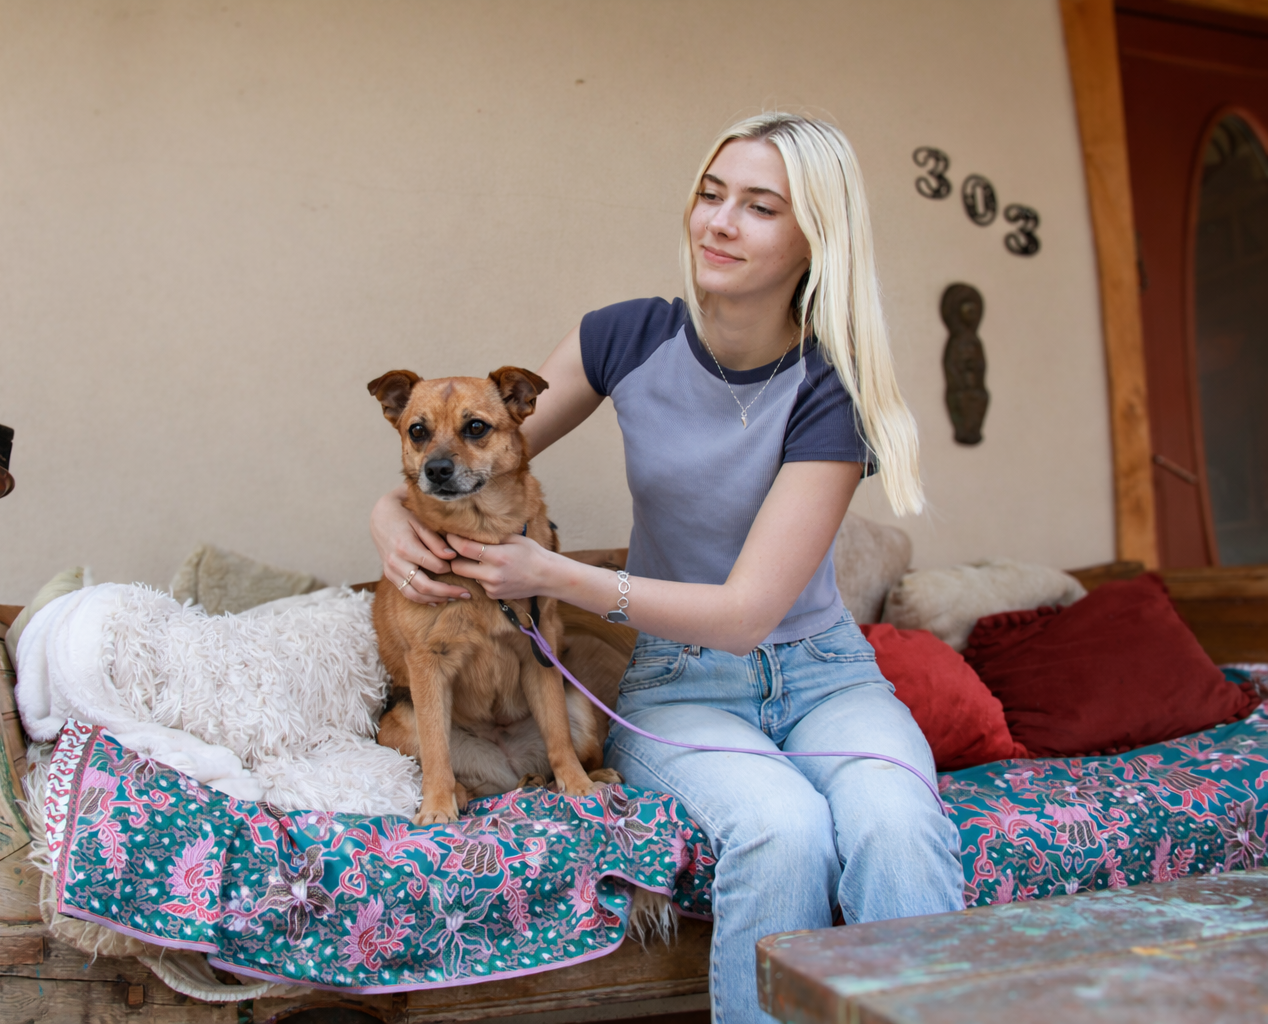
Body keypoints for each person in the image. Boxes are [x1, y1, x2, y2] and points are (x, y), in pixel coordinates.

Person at [369, 112, 964, 1022]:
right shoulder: (627, 336)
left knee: (900, 826)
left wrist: (555, 576)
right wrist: (387, 510)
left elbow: (747, 612)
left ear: (815, 241)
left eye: (760, 207)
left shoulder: (831, 392)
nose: (718, 222)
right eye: (710, 194)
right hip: (685, 688)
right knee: (781, 830)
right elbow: (486, 444)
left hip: (824, 679)